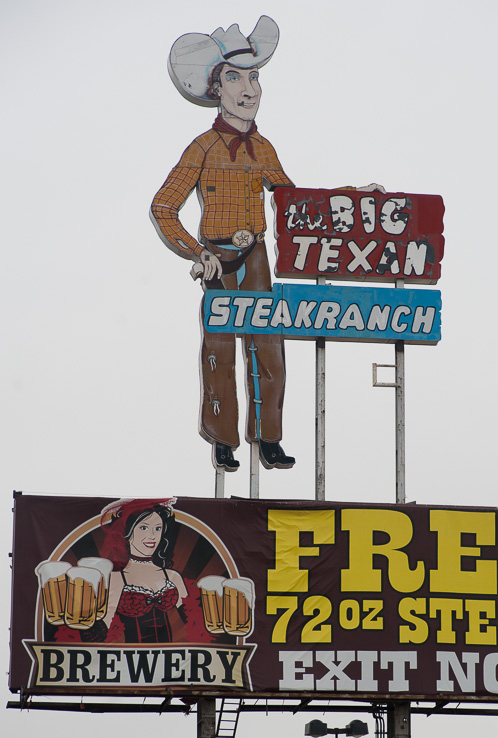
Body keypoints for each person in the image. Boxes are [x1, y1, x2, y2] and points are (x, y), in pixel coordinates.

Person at [151, 16, 295, 473]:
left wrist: (353, 198)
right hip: (217, 261)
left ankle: (268, 438)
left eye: (254, 76)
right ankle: (222, 440)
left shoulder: (265, 149)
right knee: (220, 351)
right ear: (217, 88)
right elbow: (163, 207)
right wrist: (197, 252)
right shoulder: (203, 147)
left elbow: (296, 200)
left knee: (268, 346)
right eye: (235, 77)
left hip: (256, 258)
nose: (248, 89)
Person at [101, 498, 189, 643]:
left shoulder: (172, 576)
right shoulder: (118, 578)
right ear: (128, 532)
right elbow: (103, 630)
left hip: (169, 660)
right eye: (144, 527)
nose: (152, 536)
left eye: (158, 528)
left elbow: (195, 623)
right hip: (132, 661)